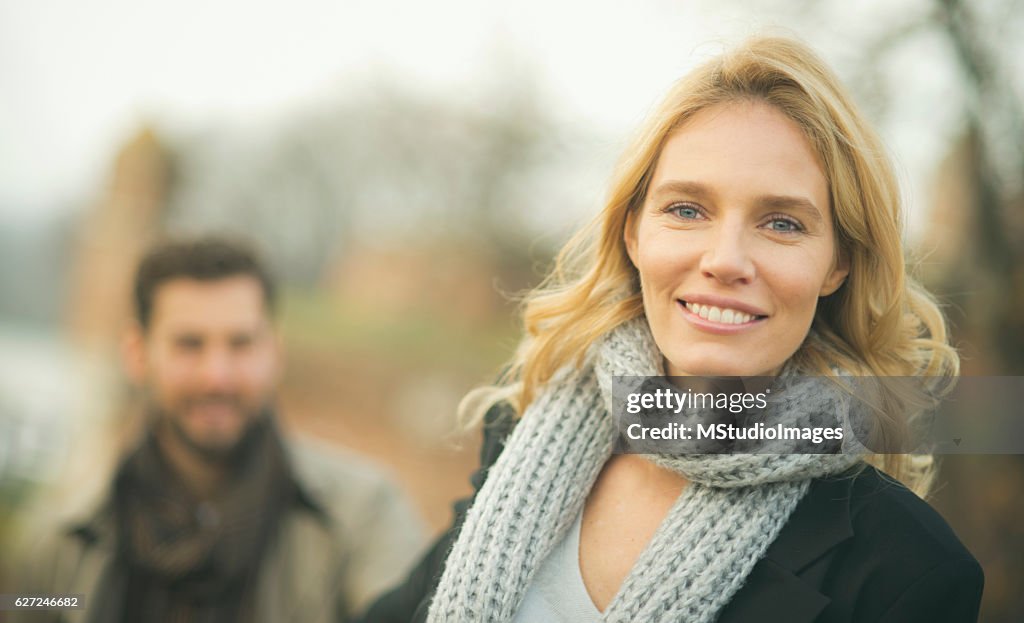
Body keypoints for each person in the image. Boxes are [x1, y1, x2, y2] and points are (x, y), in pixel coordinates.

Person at [362, 35, 984, 623]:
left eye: (782, 223)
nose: (725, 260)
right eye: (687, 210)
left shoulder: (907, 566)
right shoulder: (525, 426)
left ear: (838, 264)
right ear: (633, 232)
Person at [14, 237, 425, 623]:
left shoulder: (363, 518)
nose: (217, 376)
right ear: (137, 355)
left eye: (241, 343)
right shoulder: (61, 541)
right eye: (189, 344)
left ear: (273, 352)